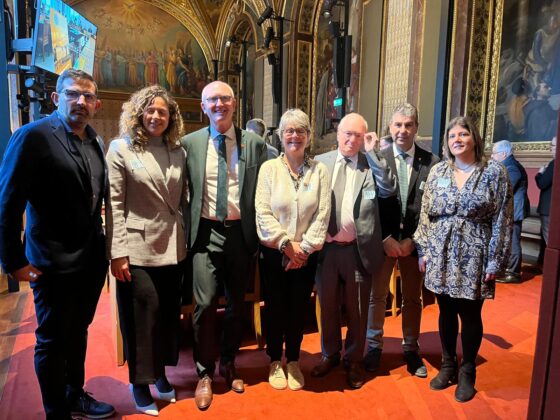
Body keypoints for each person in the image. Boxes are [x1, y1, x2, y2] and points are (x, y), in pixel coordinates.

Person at [0, 70, 115, 419]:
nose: (81, 101)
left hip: (89, 261)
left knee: (78, 331)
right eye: (73, 94)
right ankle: (56, 412)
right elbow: (7, 204)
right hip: (50, 262)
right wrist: (13, 261)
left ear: (95, 103)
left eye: (88, 96)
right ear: (56, 98)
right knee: (51, 340)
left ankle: (75, 394)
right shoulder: (32, 137)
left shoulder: (94, 140)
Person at [181, 81, 267, 410]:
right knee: (203, 305)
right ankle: (204, 373)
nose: (219, 104)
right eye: (212, 100)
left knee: (236, 304)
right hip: (204, 233)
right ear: (203, 106)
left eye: (225, 99)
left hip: (240, 234)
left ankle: (228, 363)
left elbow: (265, 188)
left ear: (235, 103)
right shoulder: (189, 144)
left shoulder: (255, 144)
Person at [414, 116, 513, 402]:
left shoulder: (494, 172)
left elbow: (503, 219)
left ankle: (468, 371)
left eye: (462, 134)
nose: (456, 139)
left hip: (476, 253)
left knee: (470, 314)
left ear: (474, 138)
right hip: (441, 251)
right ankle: (448, 365)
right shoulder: (437, 172)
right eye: (452, 136)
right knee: (445, 311)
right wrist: (425, 250)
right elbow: (426, 214)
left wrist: (496, 259)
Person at [105, 85, 187, 415]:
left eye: (162, 112)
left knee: (168, 315)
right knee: (142, 315)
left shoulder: (177, 150)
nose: (155, 116)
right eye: (150, 111)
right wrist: (117, 252)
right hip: (136, 249)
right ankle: (139, 383)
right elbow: (113, 204)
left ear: (171, 118)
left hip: (173, 246)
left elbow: (183, 198)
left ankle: (161, 374)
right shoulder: (121, 148)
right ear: (139, 113)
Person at [312, 113, 399, 389]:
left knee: (358, 310)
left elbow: (388, 189)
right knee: (327, 306)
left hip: (358, 250)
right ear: (338, 134)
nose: (351, 140)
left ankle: (354, 360)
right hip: (326, 250)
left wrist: (373, 153)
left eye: (358, 136)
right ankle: (330, 354)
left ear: (365, 138)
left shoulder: (371, 164)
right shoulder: (320, 163)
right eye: (347, 133)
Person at [255, 109, 330, 391]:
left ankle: (295, 359)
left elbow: (323, 213)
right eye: (289, 131)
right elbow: (262, 212)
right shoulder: (269, 169)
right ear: (281, 136)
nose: (295, 136)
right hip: (275, 252)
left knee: (299, 309)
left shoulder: (319, 170)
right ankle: (275, 359)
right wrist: (286, 245)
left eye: (301, 131)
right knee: (275, 307)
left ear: (309, 136)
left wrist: (304, 250)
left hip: (306, 255)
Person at [365, 103, 439, 377]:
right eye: (398, 125)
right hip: (383, 242)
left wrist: (412, 240)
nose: (403, 130)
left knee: (412, 298)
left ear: (416, 128)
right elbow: (368, 203)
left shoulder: (431, 163)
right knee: (377, 296)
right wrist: (384, 237)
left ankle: (411, 348)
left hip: (413, 243)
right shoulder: (376, 157)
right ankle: (373, 346)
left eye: (408, 125)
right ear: (390, 127)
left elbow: (431, 209)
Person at [492, 140, 530, 283]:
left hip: (514, 211)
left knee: (513, 241)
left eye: (494, 153)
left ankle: (513, 273)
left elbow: (506, 189)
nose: (492, 157)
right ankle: (508, 269)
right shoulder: (508, 165)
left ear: (503, 154)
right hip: (511, 210)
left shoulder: (511, 167)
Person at [536, 136, 556, 246]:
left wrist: (540, 173)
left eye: (552, 146)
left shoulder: (554, 163)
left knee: (549, 241)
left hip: (548, 209)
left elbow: (542, 183)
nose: (550, 149)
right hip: (552, 209)